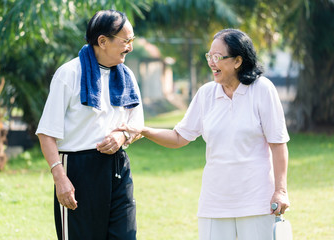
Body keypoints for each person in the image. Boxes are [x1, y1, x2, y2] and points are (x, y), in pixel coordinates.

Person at [118, 29, 290, 240]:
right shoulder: (206, 94)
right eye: (209, 56)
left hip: (256, 201)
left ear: (237, 61)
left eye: (218, 57)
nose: (211, 62)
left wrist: (280, 191)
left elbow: (278, 143)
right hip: (214, 203)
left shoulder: (262, 89)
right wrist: (143, 130)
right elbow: (179, 137)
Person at [36, 10, 143, 240]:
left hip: (117, 167)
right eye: (126, 41)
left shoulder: (127, 77)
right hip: (77, 170)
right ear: (102, 41)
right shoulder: (69, 74)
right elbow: (46, 134)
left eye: (132, 40)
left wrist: (123, 136)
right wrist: (60, 178)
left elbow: (137, 122)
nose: (130, 47)